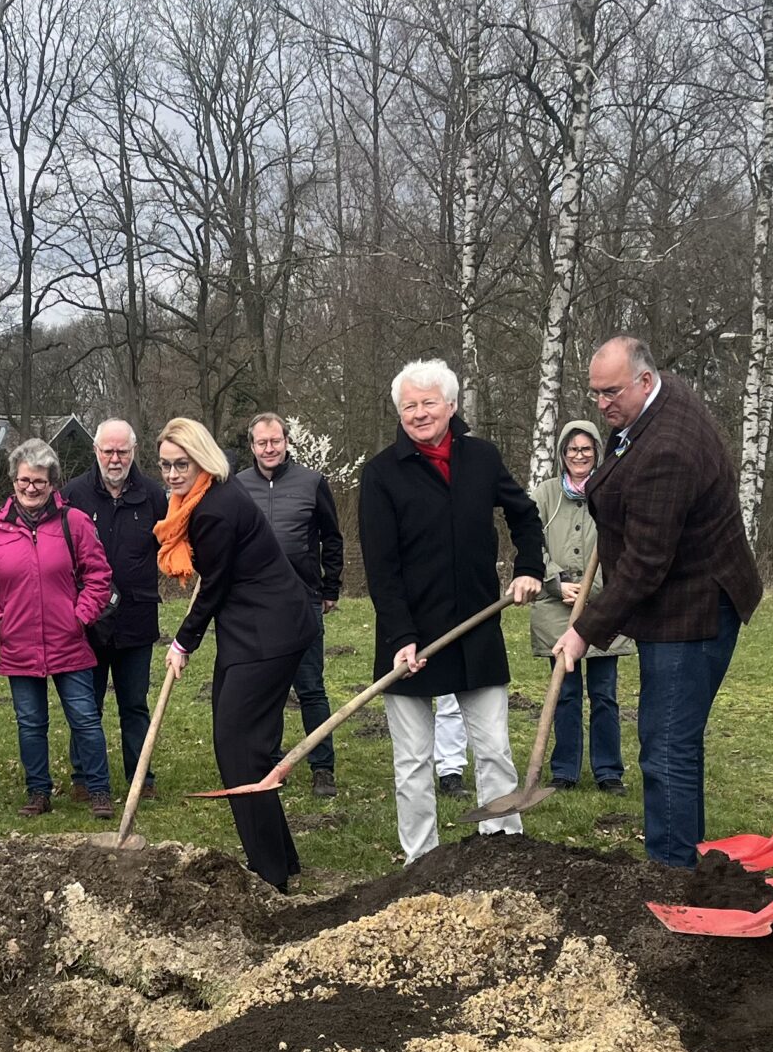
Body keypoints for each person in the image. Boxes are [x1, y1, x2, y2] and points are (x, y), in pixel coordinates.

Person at [554, 337, 764, 868]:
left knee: (667, 746)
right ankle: (682, 861)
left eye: (611, 393)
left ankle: (672, 873)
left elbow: (647, 564)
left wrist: (583, 630)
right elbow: (626, 464)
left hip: (691, 609)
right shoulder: (659, 400)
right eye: (595, 393)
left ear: (645, 380)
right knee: (673, 743)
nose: (602, 406)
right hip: (686, 595)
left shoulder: (668, 448)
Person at [359, 359, 545, 866]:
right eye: (408, 406)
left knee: (493, 752)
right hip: (410, 637)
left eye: (427, 403)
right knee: (414, 762)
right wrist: (401, 634)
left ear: (451, 405)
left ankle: (502, 851)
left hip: (475, 627)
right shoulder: (380, 474)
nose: (419, 414)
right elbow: (382, 566)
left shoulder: (481, 458)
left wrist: (528, 567)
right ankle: (421, 863)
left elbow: (524, 514)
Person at [160, 419, 322, 888]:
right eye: (166, 465)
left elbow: (213, 587)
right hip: (250, 629)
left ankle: (270, 874)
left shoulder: (214, 509)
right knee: (241, 744)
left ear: (201, 458)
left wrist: (182, 642)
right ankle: (282, 858)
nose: (172, 473)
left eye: (181, 464)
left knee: (240, 751)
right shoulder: (205, 499)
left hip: (269, 632)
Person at [0, 438, 115, 818]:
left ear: (52, 484)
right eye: (24, 481)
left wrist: (80, 617)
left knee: (85, 718)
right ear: (13, 481)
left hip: (69, 642)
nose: (31, 488)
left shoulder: (75, 523)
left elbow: (99, 575)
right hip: (17, 643)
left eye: (40, 482)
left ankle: (99, 789)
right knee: (31, 723)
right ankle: (38, 791)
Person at [237, 414, 346, 798]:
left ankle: (323, 768)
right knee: (267, 690)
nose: (269, 448)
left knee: (311, 687)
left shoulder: (312, 483)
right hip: (255, 605)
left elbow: (332, 538)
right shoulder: (238, 486)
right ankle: (269, 765)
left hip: (303, 601)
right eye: (262, 442)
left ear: (286, 441)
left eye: (276, 441)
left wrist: (330, 586)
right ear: (251, 446)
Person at [61, 419, 169, 798]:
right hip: (87, 621)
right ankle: (83, 777)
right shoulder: (73, 494)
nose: (115, 457)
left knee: (134, 704)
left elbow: (169, 546)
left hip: (137, 618)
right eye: (108, 450)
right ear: (96, 451)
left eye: (122, 451)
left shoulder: (154, 495)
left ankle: (142, 776)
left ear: (134, 452)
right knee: (85, 704)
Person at [529, 419, 627, 791]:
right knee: (565, 692)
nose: (579, 455)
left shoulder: (613, 492)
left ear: (597, 452)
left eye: (586, 449)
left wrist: (605, 589)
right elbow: (530, 544)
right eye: (572, 449)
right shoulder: (546, 494)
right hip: (558, 609)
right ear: (562, 454)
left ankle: (608, 771)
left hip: (605, 607)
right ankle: (565, 770)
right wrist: (555, 582)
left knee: (604, 694)